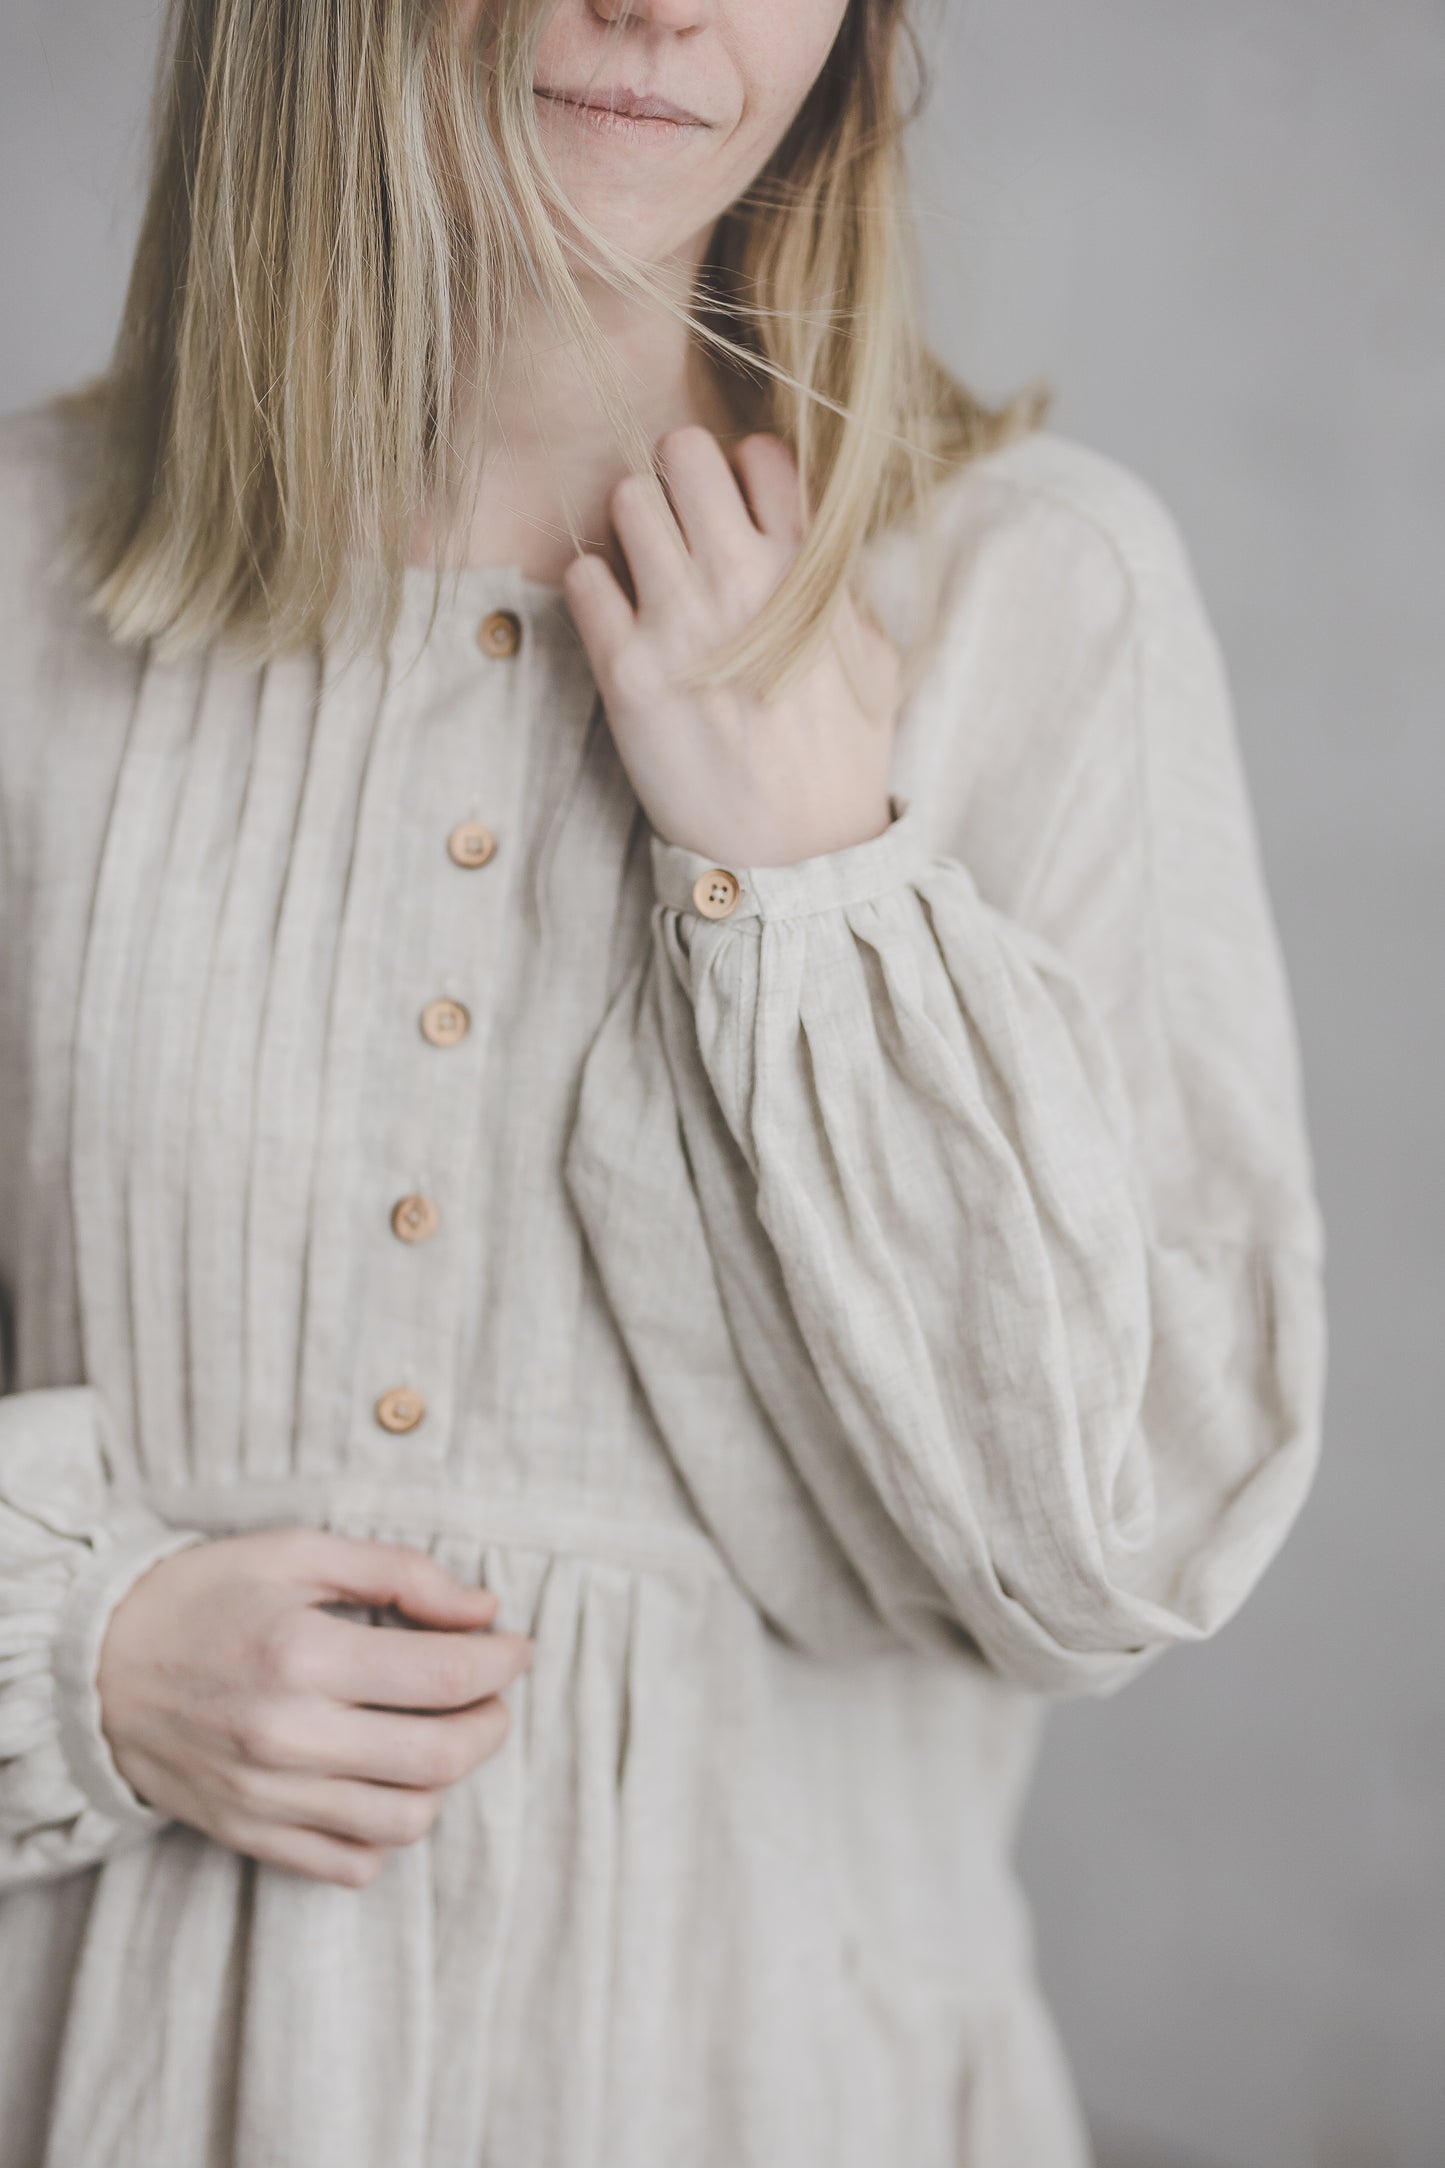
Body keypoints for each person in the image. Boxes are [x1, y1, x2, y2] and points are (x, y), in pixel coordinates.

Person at [0, 0, 1328, 2161]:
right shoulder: (19, 575)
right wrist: (79, 1644)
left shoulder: (1038, 602)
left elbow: (1129, 1534)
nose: (662, 4)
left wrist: (817, 882)